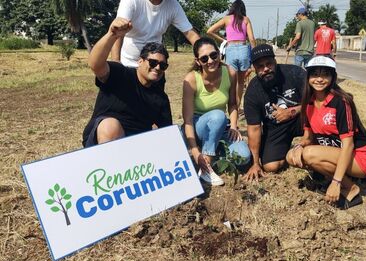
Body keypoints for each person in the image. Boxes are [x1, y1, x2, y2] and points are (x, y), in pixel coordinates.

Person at [286, 56, 366, 209]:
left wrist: (336, 182)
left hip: (361, 156)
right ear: (308, 77)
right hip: (337, 152)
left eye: (325, 74)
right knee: (291, 156)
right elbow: (308, 137)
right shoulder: (308, 103)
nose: (319, 79)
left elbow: (348, 145)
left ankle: (350, 188)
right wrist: (299, 146)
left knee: (309, 154)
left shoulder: (341, 102)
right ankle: (339, 177)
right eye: (315, 74)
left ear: (333, 77)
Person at [82, 18, 172, 147]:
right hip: (103, 139)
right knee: (111, 126)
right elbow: (95, 65)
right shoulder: (120, 74)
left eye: (162, 66)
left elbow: (166, 134)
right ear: (140, 61)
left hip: (134, 146)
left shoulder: (160, 98)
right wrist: (112, 35)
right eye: (153, 62)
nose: (157, 68)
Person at [182, 37, 251, 186]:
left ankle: (215, 148)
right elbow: (187, 120)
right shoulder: (191, 79)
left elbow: (232, 104)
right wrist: (195, 153)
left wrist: (233, 126)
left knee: (244, 157)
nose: (210, 61)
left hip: (221, 125)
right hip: (197, 125)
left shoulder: (230, 72)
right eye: (204, 58)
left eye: (214, 55)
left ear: (219, 54)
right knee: (218, 115)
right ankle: (207, 166)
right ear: (197, 61)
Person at [243, 44, 306, 181]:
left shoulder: (295, 73)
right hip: (276, 126)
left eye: (269, 64)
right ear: (254, 68)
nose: (266, 69)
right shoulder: (252, 92)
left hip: (303, 118)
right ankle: (288, 149)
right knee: (271, 166)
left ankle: (311, 144)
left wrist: (292, 111)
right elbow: (254, 128)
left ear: (275, 61)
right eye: (260, 66)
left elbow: (317, 102)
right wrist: (255, 163)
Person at [111, 0, 200, 68]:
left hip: (155, 67)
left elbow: (191, 34)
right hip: (128, 63)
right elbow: (118, 32)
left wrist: (205, 54)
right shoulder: (131, 1)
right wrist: (116, 64)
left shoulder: (173, 5)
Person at [207, 0, 256, 108]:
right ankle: (237, 106)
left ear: (232, 8)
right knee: (241, 82)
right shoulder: (246, 19)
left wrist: (224, 40)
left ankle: (231, 105)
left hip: (231, 50)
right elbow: (251, 39)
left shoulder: (226, 19)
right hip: (243, 49)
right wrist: (255, 54)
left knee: (231, 81)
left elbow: (210, 31)